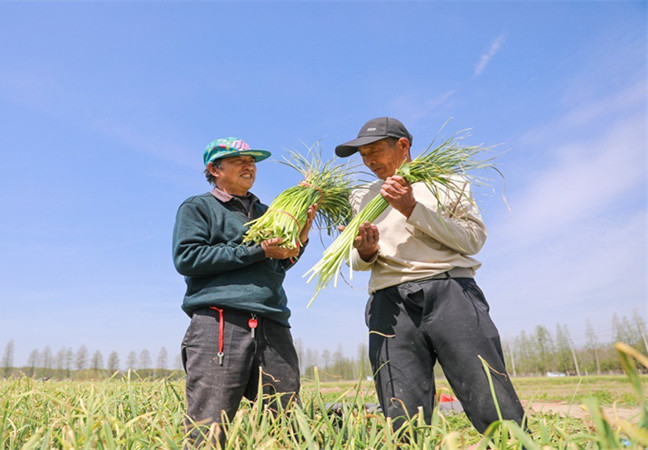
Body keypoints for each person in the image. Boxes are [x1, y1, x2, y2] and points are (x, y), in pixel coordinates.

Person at [334, 117, 525, 434]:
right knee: (401, 408)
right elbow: (358, 261)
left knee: (488, 392)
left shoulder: (446, 182)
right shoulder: (362, 196)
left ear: (403, 146)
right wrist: (365, 251)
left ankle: (511, 441)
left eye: (374, 151)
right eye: (363, 155)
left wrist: (412, 208)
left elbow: (472, 240)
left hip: (451, 291)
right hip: (389, 304)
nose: (368, 161)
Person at [172, 137, 315, 446]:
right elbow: (188, 258)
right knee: (209, 423)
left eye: (252, 161)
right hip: (220, 322)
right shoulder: (199, 207)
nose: (249, 166)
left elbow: (278, 265)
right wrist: (257, 250)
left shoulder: (268, 212)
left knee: (287, 420)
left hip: (272, 321)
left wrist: (299, 242)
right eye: (239, 161)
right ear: (215, 169)